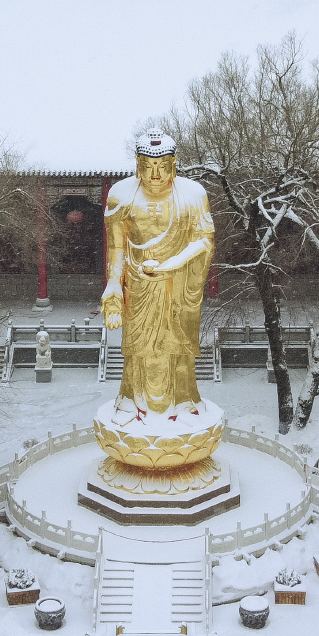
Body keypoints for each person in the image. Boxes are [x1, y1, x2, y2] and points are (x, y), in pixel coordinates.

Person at [101, 129, 214, 424]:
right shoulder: (121, 195)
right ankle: (129, 401)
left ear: (174, 163)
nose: (155, 174)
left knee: (177, 346)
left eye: (163, 166)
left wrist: (171, 266)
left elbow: (204, 241)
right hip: (137, 288)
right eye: (148, 166)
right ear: (138, 163)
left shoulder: (192, 194)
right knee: (137, 349)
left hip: (177, 288)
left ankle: (185, 403)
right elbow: (117, 249)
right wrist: (113, 286)